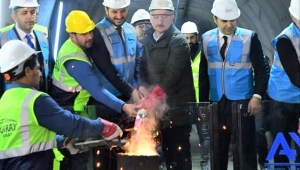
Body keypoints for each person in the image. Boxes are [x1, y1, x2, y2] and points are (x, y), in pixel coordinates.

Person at [0, 40, 122, 170]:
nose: (40, 73)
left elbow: (23, 138)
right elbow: (71, 125)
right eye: (37, 69)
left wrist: (61, 141)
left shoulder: (4, 101)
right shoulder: (35, 100)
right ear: (28, 71)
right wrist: (103, 127)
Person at [50, 10, 137, 170]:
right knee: (77, 159)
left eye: (90, 31)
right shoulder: (74, 59)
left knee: (80, 154)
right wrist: (124, 106)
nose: (89, 36)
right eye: (83, 34)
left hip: (75, 109)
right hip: (70, 111)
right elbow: (96, 90)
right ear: (72, 35)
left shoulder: (77, 46)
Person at [199, 0, 267, 169]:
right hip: (217, 102)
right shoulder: (206, 38)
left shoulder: (249, 37)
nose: (229, 24)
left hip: (242, 102)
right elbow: (203, 73)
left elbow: (261, 71)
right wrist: (203, 102)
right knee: (218, 148)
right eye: (224, 20)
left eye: (233, 20)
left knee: (244, 148)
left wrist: (257, 96)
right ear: (215, 18)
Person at [138, 0, 196, 169]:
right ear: (150, 17)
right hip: (157, 108)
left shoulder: (179, 41)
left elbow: (170, 77)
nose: (160, 20)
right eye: (156, 16)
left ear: (173, 17)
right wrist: (141, 86)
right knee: (162, 153)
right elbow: (139, 68)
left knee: (178, 154)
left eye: (165, 16)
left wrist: (149, 101)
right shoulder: (145, 40)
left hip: (177, 109)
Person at [267, 0, 300, 169]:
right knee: (283, 144)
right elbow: (296, 76)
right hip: (282, 99)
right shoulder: (285, 39)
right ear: (292, 16)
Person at [0, 0, 54, 98]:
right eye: (24, 12)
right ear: (14, 17)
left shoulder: (44, 33)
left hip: (42, 97)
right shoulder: (2, 37)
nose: (30, 16)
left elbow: (50, 65)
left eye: (33, 12)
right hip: (15, 99)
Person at [181, 21, 209, 170]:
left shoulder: (203, 53)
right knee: (183, 136)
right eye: (186, 38)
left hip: (202, 103)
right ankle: (186, 164)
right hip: (185, 103)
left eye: (192, 38)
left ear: (197, 37)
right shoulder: (178, 54)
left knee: (205, 136)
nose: (189, 41)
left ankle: (204, 163)